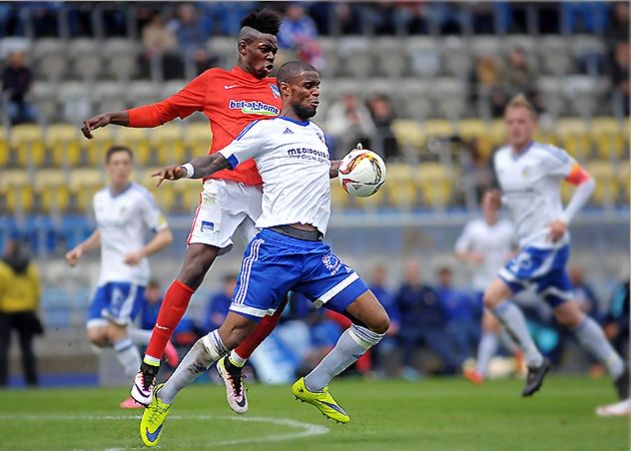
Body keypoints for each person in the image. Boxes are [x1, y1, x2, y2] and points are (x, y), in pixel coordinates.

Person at [139, 61, 390, 447]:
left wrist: (351, 166)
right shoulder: (265, 130)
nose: (315, 92)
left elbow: (314, 172)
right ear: (285, 89)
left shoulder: (320, 137)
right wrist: (187, 169)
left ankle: (314, 384)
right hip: (274, 249)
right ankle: (164, 396)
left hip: (315, 253)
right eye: (308, 85)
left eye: (318, 86)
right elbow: (220, 159)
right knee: (228, 336)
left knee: (376, 321)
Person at [79, 9, 286, 408]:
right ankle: (148, 369)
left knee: (279, 293)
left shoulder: (280, 91)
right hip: (223, 189)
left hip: (267, 198)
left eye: (275, 49)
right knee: (193, 269)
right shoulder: (214, 82)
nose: (271, 56)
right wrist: (113, 117)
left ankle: (236, 362)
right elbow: (163, 111)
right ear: (243, 48)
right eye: (265, 48)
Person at [482, 94, 628, 399]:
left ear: (533, 125)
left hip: (547, 245)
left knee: (493, 297)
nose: (516, 127)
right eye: (510, 122)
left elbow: (586, 182)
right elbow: (526, 201)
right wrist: (501, 201)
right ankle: (618, 368)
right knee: (569, 316)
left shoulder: (548, 156)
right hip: (531, 246)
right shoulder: (502, 159)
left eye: (522, 121)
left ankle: (534, 360)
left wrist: (564, 218)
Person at [65, 146, 173, 407]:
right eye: (116, 163)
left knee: (114, 331)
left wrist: (141, 252)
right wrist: (82, 248)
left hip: (130, 276)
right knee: (96, 335)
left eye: (125, 162)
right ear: (107, 167)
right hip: (106, 277)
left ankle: (140, 392)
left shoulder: (141, 197)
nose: (121, 167)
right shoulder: (100, 198)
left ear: (131, 166)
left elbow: (165, 235)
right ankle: (154, 339)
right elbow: (104, 231)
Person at [455, 193, 520, 384]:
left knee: (489, 325)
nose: (491, 209)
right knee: (500, 327)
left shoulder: (508, 229)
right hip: (480, 285)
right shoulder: (474, 228)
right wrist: (471, 256)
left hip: (501, 285)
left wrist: (513, 256)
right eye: (487, 205)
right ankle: (522, 353)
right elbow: (460, 251)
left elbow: (523, 248)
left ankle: (480, 371)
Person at [395, 259, 460, 378]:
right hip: (410, 327)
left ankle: (451, 366)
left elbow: (440, 310)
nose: (412, 274)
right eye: (410, 272)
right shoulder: (402, 292)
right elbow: (397, 311)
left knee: (441, 342)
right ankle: (405, 368)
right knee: (408, 339)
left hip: (430, 327)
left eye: (414, 272)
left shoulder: (429, 290)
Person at [0, 239, 42, 387]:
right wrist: (33, 306)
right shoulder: (29, 268)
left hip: (5, 311)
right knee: (27, 347)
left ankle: (2, 382)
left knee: (3, 347)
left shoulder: (2, 268)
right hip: (26, 310)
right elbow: (36, 289)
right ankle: (31, 381)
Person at [436, 266, 480, 373]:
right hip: (454, 324)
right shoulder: (438, 294)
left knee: (482, 337)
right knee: (461, 339)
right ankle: (467, 366)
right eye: (444, 276)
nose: (446, 278)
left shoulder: (460, 292)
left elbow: (473, 307)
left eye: (447, 275)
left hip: (469, 322)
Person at [1, 51, 37, 125]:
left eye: (19, 58)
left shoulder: (26, 71)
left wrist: (21, 88)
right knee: (13, 112)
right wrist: (20, 88)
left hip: (23, 99)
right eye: (15, 58)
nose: (17, 61)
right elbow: (9, 86)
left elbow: (29, 86)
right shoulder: (7, 72)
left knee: (33, 113)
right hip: (10, 100)